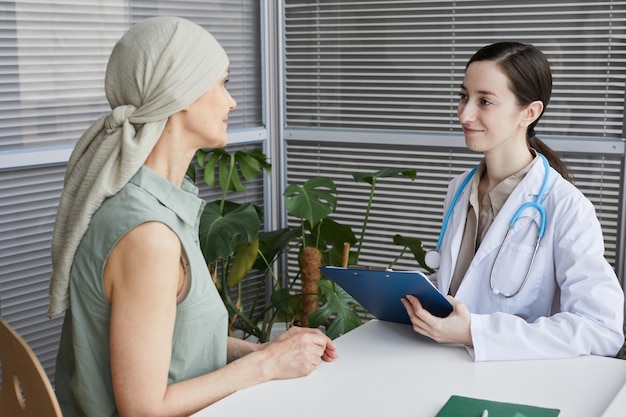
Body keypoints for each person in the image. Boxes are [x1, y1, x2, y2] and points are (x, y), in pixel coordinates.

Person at [49, 16, 337, 417]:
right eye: (223, 83)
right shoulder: (149, 237)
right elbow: (144, 409)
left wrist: (263, 351)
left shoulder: (151, 203)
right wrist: (266, 365)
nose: (231, 101)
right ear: (181, 92)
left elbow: (175, 337)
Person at [401, 42, 625, 361]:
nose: (464, 114)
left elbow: (602, 329)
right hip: (445, 363)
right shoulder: (458, 189)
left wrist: (473, 332)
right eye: (464, 97)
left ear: (529, 113)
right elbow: (469, 286)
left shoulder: (566, 207)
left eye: (485, 101)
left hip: (518, 380)